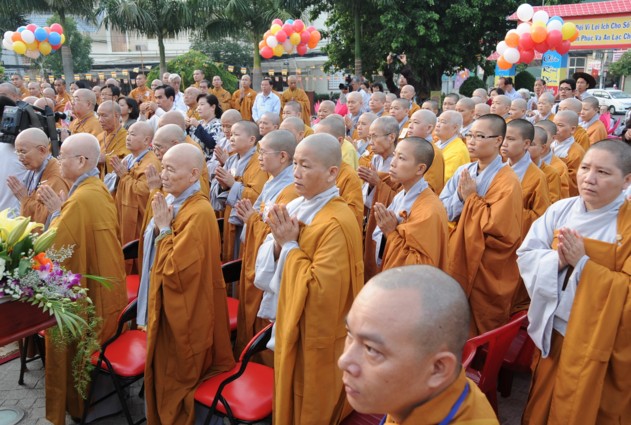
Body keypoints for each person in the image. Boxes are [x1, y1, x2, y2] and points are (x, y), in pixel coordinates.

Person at [518, 140, 631, 425]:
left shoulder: (627, 226)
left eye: (603, 172)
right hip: (555, 330)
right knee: (543, 405)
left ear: (626, 180)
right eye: (585, 168)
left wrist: (583, 264)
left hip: (600, 342)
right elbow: (527, 254)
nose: (589, 179)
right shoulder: (561, 210)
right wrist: (557, 261)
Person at [254, 133, 364, 425]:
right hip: (291, 321)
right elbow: (266, 267)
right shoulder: (298, 206)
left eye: (305, 165)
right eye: (295, 164)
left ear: (331, 172)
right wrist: (280, 245)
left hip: (315, 335)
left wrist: (289, 246)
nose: (296, 173)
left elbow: (321, 292)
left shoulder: (336, 222)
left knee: (307, 406)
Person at [37, 134, 127, 424]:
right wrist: (62, 211)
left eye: (63, 156)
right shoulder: (96, 188)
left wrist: (56, 213)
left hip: (89, 290)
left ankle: (80, 404)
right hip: (106, 284)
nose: (59, 161)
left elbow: (58, 248)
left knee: (75, 342)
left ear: (81, 161)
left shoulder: (81, 199)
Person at [144, 143, 235, 425]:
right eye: (163, 167)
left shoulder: (199, 212)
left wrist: (164, 229)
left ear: (194, 174)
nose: (163, 175)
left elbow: (175, 271)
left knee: (178, 371)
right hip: (173, 304)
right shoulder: (175, 201)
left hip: (187, 308)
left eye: (171, 169)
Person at [339, 265, 499, 425]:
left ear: (438, 368)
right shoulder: (415, 400)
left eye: (371, 349)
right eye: (350, 334)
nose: (343, 361)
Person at [440, 114, 523, 335]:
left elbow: (497, 228)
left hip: (484, 264)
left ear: (498, 141)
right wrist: (461, 198)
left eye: (479, 136)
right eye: (469, 135)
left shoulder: (508, 181)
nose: (472, 141)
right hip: (458, 252)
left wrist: (470, 199)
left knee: (474, 328)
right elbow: (443, 209)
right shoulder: (464, 172)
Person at [233, 129, 299, 358]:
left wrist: (252, 220)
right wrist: (252, 219)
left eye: (263, 152)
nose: (259, 157)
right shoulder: (273, 180)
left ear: (283, 157)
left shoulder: (290, 191)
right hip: (257, 255)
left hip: (271, 267)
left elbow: (278, 236)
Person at [373, 138, 449, 272]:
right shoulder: (401, 195)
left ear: (420, 168)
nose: (393, 163)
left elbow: (420, 267)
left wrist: (390, 232)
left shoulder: (429, 210)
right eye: (394, 155)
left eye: (401, 158)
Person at [210, 120, 268, 261]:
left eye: (236, 135)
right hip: (230, 215)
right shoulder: (231, 160)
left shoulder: (258, 163)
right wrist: (223, 186)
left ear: (251, 140)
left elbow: (257, 197)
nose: (231, 138)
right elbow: (220, 190)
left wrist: (233, 184)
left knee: (241, 257)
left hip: (244, 220)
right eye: (231, 135)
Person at [112, 122, 162, 270]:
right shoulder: (130, 158)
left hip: (139, 221)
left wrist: (124, 176)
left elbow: (145, 192)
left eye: (133, 134)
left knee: (136, 260)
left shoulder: (151, 163)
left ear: (146, 140)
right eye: (128, 133)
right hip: (125, 215)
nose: (128, 137)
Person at [360, 117, 400, 280]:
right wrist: (371, 185)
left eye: (374, 136)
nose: (370, 142)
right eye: (369, 137)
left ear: (391, 137)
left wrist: (378, 183)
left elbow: (403, 199)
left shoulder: (400, 162)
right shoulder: (375, 159)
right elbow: (367, 197)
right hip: (372, 217)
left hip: (390, 224)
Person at [7, 128, 69, 225]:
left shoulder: (56, 178)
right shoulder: (34, 170)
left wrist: (24, 199)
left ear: (42, 150)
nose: (19, 158)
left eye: (23, 152)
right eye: (17, 152)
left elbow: (52, 219)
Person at [314, 117, 364, 228]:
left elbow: (352, 216)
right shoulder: (313, 169)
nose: (316, 144)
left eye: (322, 139)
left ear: (339, 141)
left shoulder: (349, 176)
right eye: (314, 138)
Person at [407, 109, 445, 194]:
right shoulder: (408, 147)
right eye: (410, 122)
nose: (410, 126)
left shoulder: (433, 153)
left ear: (429, 128)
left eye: (415, 122)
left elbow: (430, 187)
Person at [552, 110, 585, 197]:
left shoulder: (576, 152)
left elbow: (573, 183)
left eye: (560, 125)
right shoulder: (549, 143)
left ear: (572, 129)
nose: (555, 128)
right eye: (554, 124)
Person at [528, 126, 563, 204]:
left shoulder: (551, 173)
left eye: (531, 144)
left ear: (543, 148)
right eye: (525, 143)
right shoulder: (509, 169)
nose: (526, 147)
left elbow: (550, 204)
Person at [97, 100, 130, 179]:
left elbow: (128, 162)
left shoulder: (126, 137)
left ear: (116, 116)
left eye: (104, 116)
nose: (100, 120)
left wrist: (106, 159)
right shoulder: (99, 137)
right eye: (99, 115)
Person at [435, 110, 470, 184]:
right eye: (438, 121)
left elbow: (446, 180)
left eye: (443, 122)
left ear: (455, 128)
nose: (438, 125)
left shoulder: (457, 151)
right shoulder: (437, 144)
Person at [188, 93, 224, 163]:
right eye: (198, 105)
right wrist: (186, 128)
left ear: (213, 107)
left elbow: (212, 144)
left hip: (209, 163)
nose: (198, 108)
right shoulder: (197, 123)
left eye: (202, 104)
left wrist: (198, 126)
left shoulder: (219, 124)